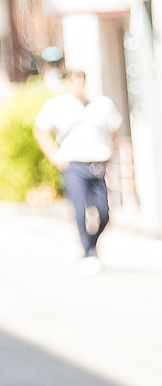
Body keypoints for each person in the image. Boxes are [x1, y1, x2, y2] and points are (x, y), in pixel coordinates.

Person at [35, 68, 122, 274]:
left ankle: (92, 243)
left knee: (104, 211)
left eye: (81, 82)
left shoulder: (101, 105)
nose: (78, 86)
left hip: (97, 164)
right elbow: (40, 129)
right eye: (74, 82)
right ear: (67, 83)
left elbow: (114, 127)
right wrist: (53, 155)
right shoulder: (57, 106)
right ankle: (88, 252)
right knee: (80, 209)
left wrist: (110, 150)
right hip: (73, 164)